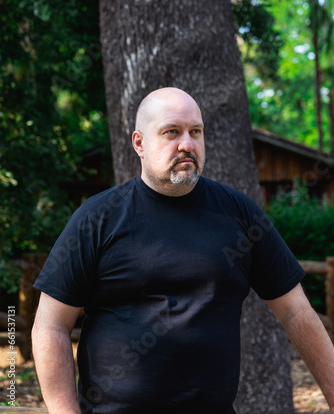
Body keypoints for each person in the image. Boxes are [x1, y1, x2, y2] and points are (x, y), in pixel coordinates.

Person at [32, 87, 334, 414]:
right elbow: (50, 326)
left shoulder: (240, 215)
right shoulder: (98, 218)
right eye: (171, 132)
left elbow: (297, 312)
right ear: (139, 143)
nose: (187, 144)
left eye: (196, 132)